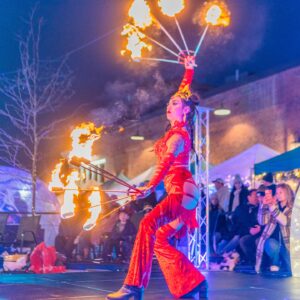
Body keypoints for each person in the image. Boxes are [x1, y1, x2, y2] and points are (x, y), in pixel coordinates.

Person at [106, 56, 207, 300]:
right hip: (182, 193)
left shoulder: (179, 135)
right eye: (168, 103)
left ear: (184, 110)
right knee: (160, 237)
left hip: (182, 192)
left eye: (173, 103)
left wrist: (149, 187)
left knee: (146, 224)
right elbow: (183, 90)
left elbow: (165, 164)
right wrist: (189, 69)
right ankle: (193, 283)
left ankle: (133, 287)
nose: (168, 106)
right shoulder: (175, 131)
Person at [255, 183, 294, 274]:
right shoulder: (273, 205)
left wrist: (272, 207)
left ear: (287, 193)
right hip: (276, 243)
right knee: (269, 243)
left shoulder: (292, 208)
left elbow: (284, 221)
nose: (278, 195)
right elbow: (262, 221)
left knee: (291, 269)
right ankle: (275, 262)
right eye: (277, 193)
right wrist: (263, 205)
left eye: (281, 192)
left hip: (289, 246)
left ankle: (282, 262)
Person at [238, 189, 261, 266]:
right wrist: (249, 229)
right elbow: (240, 221)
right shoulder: (243, 208)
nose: (257, 198)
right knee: (238, 238)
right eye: (255, 196)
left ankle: (255, 261)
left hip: (259, 232)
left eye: (258, 196)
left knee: (244, 240)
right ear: (248, 197)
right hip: (246, 231)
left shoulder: (259, 208)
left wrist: (258, 229)